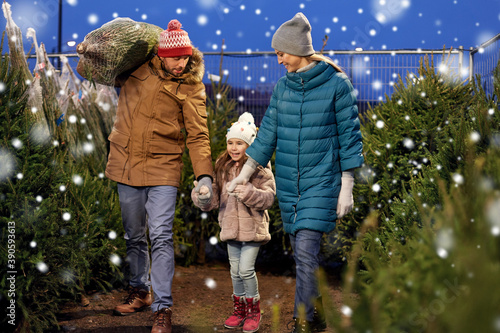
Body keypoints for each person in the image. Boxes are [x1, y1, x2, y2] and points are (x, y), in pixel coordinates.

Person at [227, 12, 364, 333]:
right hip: (290, 185)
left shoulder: (337, 85)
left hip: (322, 182)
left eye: (281, 53)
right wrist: (243, 176)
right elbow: (267, 137)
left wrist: (347, 186)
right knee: (304, 258)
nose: (278, 61)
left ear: (298, 50)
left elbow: (350, 137)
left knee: (305, 253)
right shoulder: (283, 88)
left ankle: (301, 321)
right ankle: (316, 316)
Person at [104, 19, 214, 333]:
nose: (182, 63)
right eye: (176, 57)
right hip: (125, 162)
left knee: (161, 236)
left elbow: (198, 135)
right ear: (162, 54)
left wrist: (203, 174)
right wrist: (94, 50)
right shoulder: (135, 69)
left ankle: (162, 308)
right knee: (134, 235)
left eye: (186, 57)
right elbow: (98, 70)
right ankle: (140, 290)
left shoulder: (192, 86)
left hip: (164, 166)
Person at [192, 112, 276, 333]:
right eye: (231, 142)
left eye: (240, 143)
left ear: (249, 144)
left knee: (246, 270)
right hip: (230, 229)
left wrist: (249, 193)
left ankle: (253, 311)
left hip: (252, 230)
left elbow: (268, 198)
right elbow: (214, 199)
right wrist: (203, 195)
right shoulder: (223, 168)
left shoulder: (260, 168)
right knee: (235, 271)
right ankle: (239, 310)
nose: (234, 147)